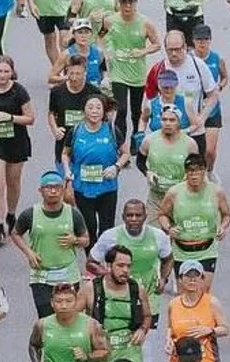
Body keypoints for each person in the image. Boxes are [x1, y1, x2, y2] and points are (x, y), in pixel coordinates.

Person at [13, 170, 89, 317]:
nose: (53, 191)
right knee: (46, 316)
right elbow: (15, 234)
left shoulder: (73, 213)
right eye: (48, 187)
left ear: (62, 189)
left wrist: (76, 240)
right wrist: (29, 252)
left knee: (69, 315)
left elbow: (86, 240)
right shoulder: (30, 214)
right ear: (40, 191)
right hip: (41, 274)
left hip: (68, 273)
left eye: (57, 187)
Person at [0, 57, 35, 243]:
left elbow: (30, 118)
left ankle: (11, 213)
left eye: (6, 71)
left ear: (12, 72)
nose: (2, 75)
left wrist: (10, 117)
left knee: (13, 183)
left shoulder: (19, 92)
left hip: (16, 141)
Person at [102, 0, 162, 140]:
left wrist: (143, 51)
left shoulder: (145, 23)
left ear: (136, 4)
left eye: (130, 3)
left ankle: (136, 137)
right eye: (124, 3)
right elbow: (100, 36)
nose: (127, 6)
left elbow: (157, 44)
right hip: (118, 71)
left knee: (136, 111)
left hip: (137, 72)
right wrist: (107, 50)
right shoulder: (110, 21)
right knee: (121, 109)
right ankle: (121, 143)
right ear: (119, 4)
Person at [155, 154, 229, 275]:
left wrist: (223, 227)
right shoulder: (174, 192)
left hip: (207, 249)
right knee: (184, 292)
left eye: (198, 171)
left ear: (204, 171)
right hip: (181, 250)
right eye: (191, 171)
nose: (194, 175)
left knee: (203, 292)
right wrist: (169, 228)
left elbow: (227, 215)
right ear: (186, 173)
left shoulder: (216, 192)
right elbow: (162, 214)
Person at [68, 94, 127, 244]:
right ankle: (92, 262)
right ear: (84, 111)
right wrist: (67, 170)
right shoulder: (75, 131)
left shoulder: (112, 130)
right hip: (82, 188)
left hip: (107, 188)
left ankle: (106, 261)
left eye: (98, 108)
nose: (94, 111)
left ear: (104, 111)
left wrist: (116, 166)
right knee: (89, 228)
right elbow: (65, 153)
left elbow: (125, 153)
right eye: (90, 107)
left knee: (106, 229)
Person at [89, 198, 173, 300]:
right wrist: (109, 276)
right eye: (129, 215)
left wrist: (163, 279)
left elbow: (168, 259)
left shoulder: (158, 236)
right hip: (119, 297)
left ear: (145, 217)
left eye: (138, 215)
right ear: (123, 217)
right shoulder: (110, 236)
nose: (134, 219)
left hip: (149, 296)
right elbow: (91, 263)